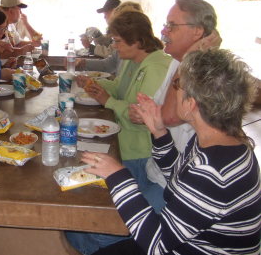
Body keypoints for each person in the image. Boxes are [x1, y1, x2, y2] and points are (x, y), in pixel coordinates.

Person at [84, 49, 260, 255]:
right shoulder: (220, 140)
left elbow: (157, 245)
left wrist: (118, 176)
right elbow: (179, 179)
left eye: (176, 84)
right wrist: (159, 133)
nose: (171, 91)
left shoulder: (212, 171)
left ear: (190, 103)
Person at [68, 11, 172, 255]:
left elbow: (142, 117)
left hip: (138, 151)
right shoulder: (133, 61)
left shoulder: (157, 67)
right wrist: (96, 86)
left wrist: (108, 102)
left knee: (106, 220)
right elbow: (120, 88)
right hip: (121, 141)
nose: (113, 46)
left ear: (136, 41)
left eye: (117, 41)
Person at [129, 0, 221, 188]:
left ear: (198, 31)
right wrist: (143, 113)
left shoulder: (207, 70)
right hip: (158, 169)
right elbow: (159, 111)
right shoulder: (176, 62)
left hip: (177, 185)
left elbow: (170, 117)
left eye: (172, 26)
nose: (164, 31)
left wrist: (191, 57)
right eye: (165, 25)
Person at [75, 1, 143, 76]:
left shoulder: (144, 63)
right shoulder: (127, 50)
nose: (114, 46)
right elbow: (108, 65)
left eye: (117, 40)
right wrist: (83, 63)